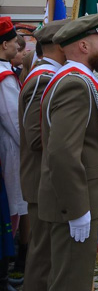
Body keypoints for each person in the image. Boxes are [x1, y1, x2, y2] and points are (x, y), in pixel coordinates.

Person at [39, 14, 98, 290]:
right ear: (84, 46)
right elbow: (62, 153)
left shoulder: (77, 79)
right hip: (74, 203)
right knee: (71, 282)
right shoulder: (75, 84)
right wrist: (77, 210)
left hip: (78, 199)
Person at [17, 19, 69, 291]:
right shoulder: (44, 80)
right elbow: (37, 137)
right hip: (41, 177)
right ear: (60, 45)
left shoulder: (45, 76)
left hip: (42, 178)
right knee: (43, 256)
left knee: (45, 252)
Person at [0, 19, 26, 238]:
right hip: (8, 152)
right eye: (13, 41)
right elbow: (16, 124)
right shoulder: (5, 79)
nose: (18, 46)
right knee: (12, 208)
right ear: (3, 45)